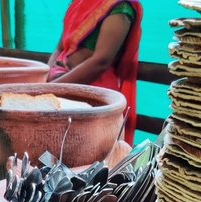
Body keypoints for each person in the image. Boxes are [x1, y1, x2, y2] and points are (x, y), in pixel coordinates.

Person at [47, 0, 143, 145]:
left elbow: (100, 62)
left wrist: (51, 88)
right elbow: (60, 48)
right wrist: (45, 79)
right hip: (58, 86)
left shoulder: (120, 7)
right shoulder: (78, 2)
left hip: (92, 94)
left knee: (81, 155)